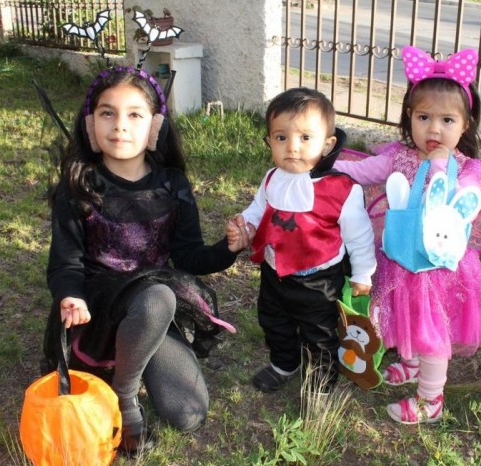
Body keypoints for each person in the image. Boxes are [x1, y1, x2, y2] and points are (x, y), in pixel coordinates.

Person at [43, 65, 252, 454]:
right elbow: (65, 262)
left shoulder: (172, 185)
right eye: (108, 112)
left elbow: (189, 256)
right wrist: (70, 296)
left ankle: (139, 348)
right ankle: (125, 400)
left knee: (189, 414)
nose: (120, 125)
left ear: (155, 128)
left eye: (134, 114)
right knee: (158, 296)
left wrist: (228, 248)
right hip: (98, 305)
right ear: (91, 125)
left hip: (154, 306)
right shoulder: (80, 185)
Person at [333, 46, 481, 424]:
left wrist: (441, 170)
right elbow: (361, 171)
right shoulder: (399, 157)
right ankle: (409, 362)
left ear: (465, 125)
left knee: (433, 330)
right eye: (423, 117)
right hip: (399, 258)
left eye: (447, 120)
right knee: (403, 314)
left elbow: (463, 202)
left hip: (439, 269)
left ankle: (430, 399)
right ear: (409, 116)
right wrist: (322, 165)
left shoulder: (467, 169)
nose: (434, 129)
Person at [226, 87, 376, 394]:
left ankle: (321, 380)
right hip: (274, 272)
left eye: (305, 138)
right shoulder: (271, 178)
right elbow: (258, 209)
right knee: (273, 321)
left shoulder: (342, 190)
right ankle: (285, 363)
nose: (292, 147)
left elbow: (359, 235)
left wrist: (362, 273)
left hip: (317, 280)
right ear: (269, 141)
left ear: (328, 143)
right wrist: (246, 224)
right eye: (281, 137)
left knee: (319, 332)